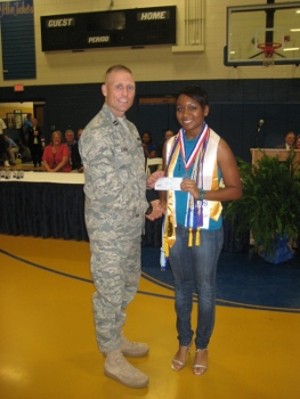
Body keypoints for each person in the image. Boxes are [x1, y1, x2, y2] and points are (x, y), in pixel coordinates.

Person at [79, 65, 164, 389]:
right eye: (118, 87)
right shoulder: (97, 132)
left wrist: (148, 181)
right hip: (108, 230)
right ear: (105, 90)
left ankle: (117, 336)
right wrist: (147, 205)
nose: (125, 93)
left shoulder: (128, 128)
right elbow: (106, 189)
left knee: (127, 285)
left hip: (128, 228)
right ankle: (111, 355)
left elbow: (125, 179)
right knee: (109, 291)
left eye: (129, 87)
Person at [159, 86, 242, 376]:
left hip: (206, 230)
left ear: (205, 111)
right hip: (176, 229)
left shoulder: (219, 145)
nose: (185, 114)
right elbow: (167, 184)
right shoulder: (170, 145)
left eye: (193, 108)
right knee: (181, 290)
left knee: (205, 291)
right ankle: (184, 342)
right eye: (181, 108)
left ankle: (202, 346)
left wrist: (203, 194)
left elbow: (236, 190)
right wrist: (160, 204)